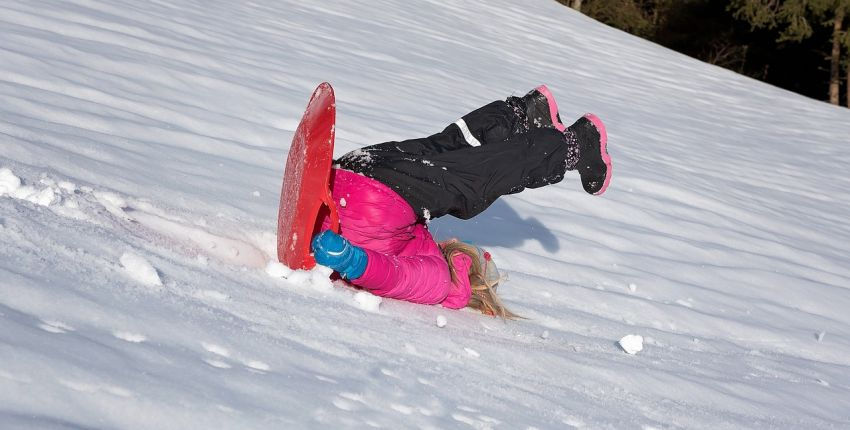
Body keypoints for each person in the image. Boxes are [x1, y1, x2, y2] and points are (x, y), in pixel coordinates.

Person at [310, 85, 611, 318]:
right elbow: (392, 269)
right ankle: (527, 118)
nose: (454, 239)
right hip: (353, 178)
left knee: (471, 176)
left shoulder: (440, 283)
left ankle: (563, 138)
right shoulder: (421, 249)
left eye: (465, 250)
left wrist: (351, 260)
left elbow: (391, 276)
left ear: (466, 270)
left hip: (369, 187)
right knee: (447, 156)